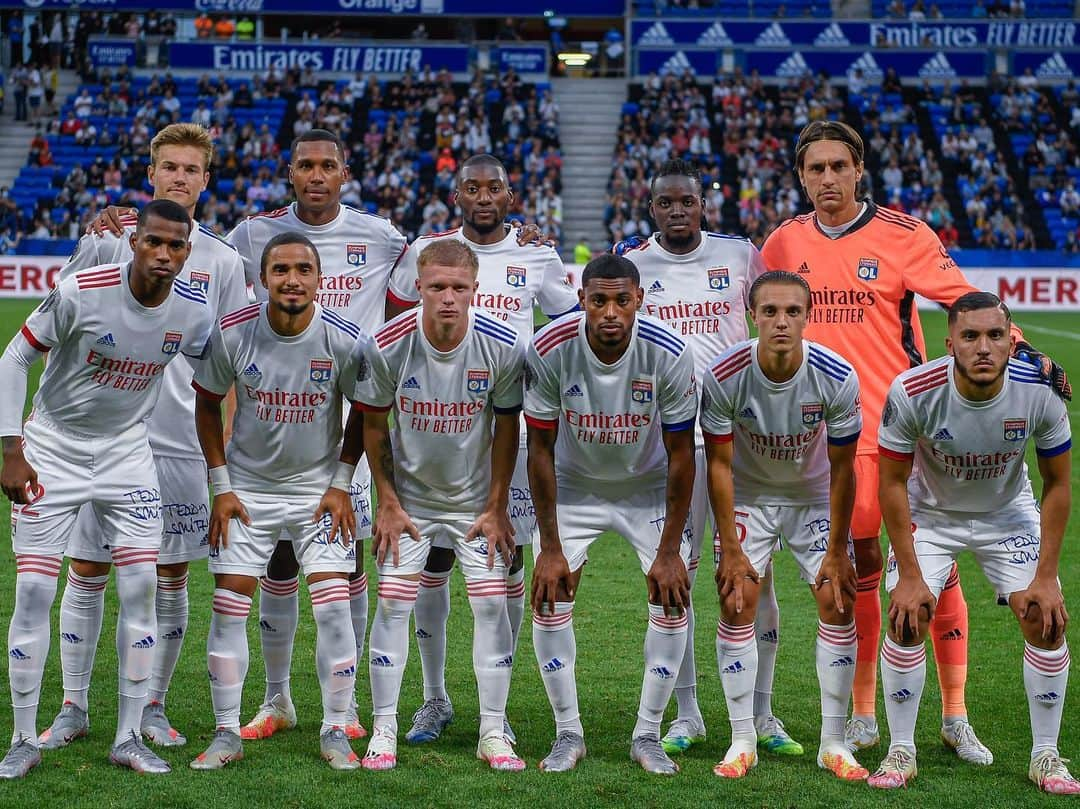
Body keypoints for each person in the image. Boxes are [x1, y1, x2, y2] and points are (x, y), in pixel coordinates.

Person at [760, 119, 1070, 759]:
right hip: (821, 440)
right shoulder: (784, 243)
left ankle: (955, 715)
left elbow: (970, 306)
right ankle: (867, 711)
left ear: (859, 169)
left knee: (932, 571)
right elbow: (760, 313)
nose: (827, 179)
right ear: (800, 176)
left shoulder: (904, 236)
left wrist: (1029, 353)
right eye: (814, 169)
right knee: (862, 570)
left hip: (901, 432)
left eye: (838, 167)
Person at [37, 123, 248, 753]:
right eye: (170, 168)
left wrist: (224, 454)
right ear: (151, 172)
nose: (180, 178)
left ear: (206, 181)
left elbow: (227, 365)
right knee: (88, 567)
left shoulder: (225, 262)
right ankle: (73, 704)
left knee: (170, 574)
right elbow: (60, 321)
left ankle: (151, 704)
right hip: (101, 436)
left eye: (192, 169)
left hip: (182, 441)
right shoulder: (106, 240)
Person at [0, 199, 213, 778]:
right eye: (153, 243)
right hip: (54, 448)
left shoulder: (193, 313)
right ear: (134, 242)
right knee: (35, 595)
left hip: (127, 452)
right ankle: (22, 738)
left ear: (186, 252)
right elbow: (14, 357)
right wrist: (11, 447)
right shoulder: (82, 290)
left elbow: (218, 377)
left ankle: (127, 735)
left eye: (175, 246)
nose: (163, 255)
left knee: (141, 587)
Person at [385, 154, 578, 746]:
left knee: (507, 561)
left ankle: (500, 703)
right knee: (433, 564)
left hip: (505, 432)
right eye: (473, 188)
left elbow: (568, 327)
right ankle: (434, 698)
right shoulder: (428, 248)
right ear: (457, 195)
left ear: (511, 194)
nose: (484, 197)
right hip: (434, 434)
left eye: (495, 187)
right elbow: (397, 324)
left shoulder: (538, 255)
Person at [869, 292, 1076, 794]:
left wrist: (1046, 577)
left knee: (1045, 621)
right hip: (930, 516)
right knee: (906, 616)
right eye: (970, 336)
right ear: (950, 344)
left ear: (1011, 341)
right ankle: (902, 748)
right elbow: (892, 483)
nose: (983, 347)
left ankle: (1045, 756)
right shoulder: (913, 391)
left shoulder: (1040, 391)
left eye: (995, 336)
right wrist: (912, 576)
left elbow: (1058, 484)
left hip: (1006, 516)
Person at [614, 159, 775, 757]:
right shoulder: (632, 261)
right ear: (650, 207)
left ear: (704, 202)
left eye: (687, 200)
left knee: (754, 577)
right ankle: (687, 714)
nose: (676, 210)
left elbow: (771, 312)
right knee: (673, 577)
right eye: (665, 203)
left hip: (741, 439)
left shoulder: (740, 254)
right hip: (669, 444)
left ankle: (762, 713)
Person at [189, 232, 367, 771]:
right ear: (263, 278)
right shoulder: (233, 332)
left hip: (318, 490)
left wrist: (341, 482)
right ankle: (226, 733)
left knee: (335, 606)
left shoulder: (344, 337)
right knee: (229, 603)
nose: (292, 280)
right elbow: (206, 406)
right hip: (247, 489)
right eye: (281, 270)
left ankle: (335, 729)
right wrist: (221, 487)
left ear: (319, 279)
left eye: (303, 270)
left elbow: (364, 411)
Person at [355, 240, 526, 771]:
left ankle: (493, 730)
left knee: (491, 606)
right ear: (418, 288)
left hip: (475, 502)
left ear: (476, 289)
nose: (448, 298)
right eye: (437, 288)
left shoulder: (502, 345)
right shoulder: (387, 345)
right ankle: (384, 728)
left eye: (459, 288)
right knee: (392, 604)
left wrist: (497, 505)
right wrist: (386, 500)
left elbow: (506, 426)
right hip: (410, 503)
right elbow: (373, 423)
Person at [524, 254, 697, 774]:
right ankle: (567, 733)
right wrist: (551, 548)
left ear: (640, 300)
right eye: (598, 300)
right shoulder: (550, 347)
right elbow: (538, 450)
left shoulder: (669, 352)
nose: (611, 312)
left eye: (623, 300)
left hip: (644, 488)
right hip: (575, 487)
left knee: (672, 599)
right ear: (581, 301)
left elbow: (683, 454)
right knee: (550, 596)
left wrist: (669, 552)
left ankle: (647, 735)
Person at [701, 270, 867, 781]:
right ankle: (741, 739)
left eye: (792, 312)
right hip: (750, 494)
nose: (780, 322)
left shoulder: (836, 375)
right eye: (769, 311)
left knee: (838, 600)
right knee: (737, 599)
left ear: (807, 316)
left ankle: (834, 743)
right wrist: (730, 545)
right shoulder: (725, 374)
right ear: (753, 315)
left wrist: (838, 547)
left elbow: (844, 467)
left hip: (812, 496)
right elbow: (720, 465)